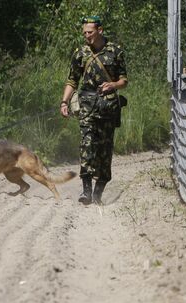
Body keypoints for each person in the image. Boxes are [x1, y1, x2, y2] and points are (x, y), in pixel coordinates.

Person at [60, 15, 128, 205]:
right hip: (87, 106)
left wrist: (113, 85)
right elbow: (72, 80)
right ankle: (86, 192)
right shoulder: (80, 53)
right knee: (87, 146)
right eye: (84, 33)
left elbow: (124, 80)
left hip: (108, 107)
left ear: (100, 30)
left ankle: (98, 192)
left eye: (90, 32)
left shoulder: (115, 51)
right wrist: (64, 102)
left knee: (104, 150)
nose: (87, 36)